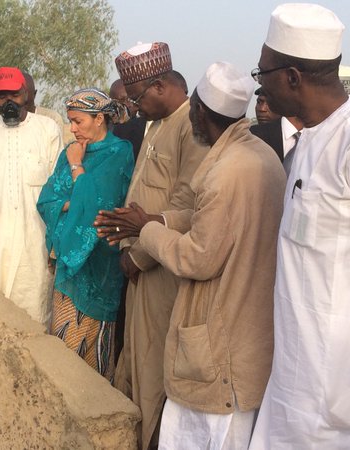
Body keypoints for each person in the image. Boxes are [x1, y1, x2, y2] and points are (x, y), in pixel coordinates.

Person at [97, 61, 286, 449]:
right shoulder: (255, 153)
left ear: (198, 110)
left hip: (221, 333)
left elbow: (198, 257)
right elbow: (206, 214)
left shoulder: (225, 170)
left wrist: (146, 233)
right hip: (245, 317)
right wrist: (155, 219)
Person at [249, 4, 350, 449]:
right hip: (291, 382)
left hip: (341, 396)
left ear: (292, 77)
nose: (258, 84)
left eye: (261, 73)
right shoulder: (307, 140)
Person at [103, 42, 209, 449]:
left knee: (152, 365)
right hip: (137, 264)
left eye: (138, 97)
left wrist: (140, 254)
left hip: (161, 267)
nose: (135, 107)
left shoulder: (191, 127)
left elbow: (184, 205)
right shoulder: (156, 124)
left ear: (161, 85)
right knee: (134, 359)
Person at [37, 88, 134, 380]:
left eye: (78, 121)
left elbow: (99, 209)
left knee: (91, 358)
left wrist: (77, 169)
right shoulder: (69, 150)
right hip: (68, 267)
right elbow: (46, 199)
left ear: (100, 119)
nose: (73, 128)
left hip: (97, 267)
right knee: (62, 352)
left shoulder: (119, 152)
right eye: (70, 121)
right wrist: (74, 200)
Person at [0, 67, 62, 326]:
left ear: (26, 93)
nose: (8, 101)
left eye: (14, 95)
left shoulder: (47, 128)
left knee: (34, 311)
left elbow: (58, 184)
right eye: (1, 96)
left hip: (35, 240)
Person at [109, 78, 147, 161]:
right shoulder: (103, 129)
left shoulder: (144, 127)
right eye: (122, 100)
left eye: (131, 99)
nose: (129, 104)